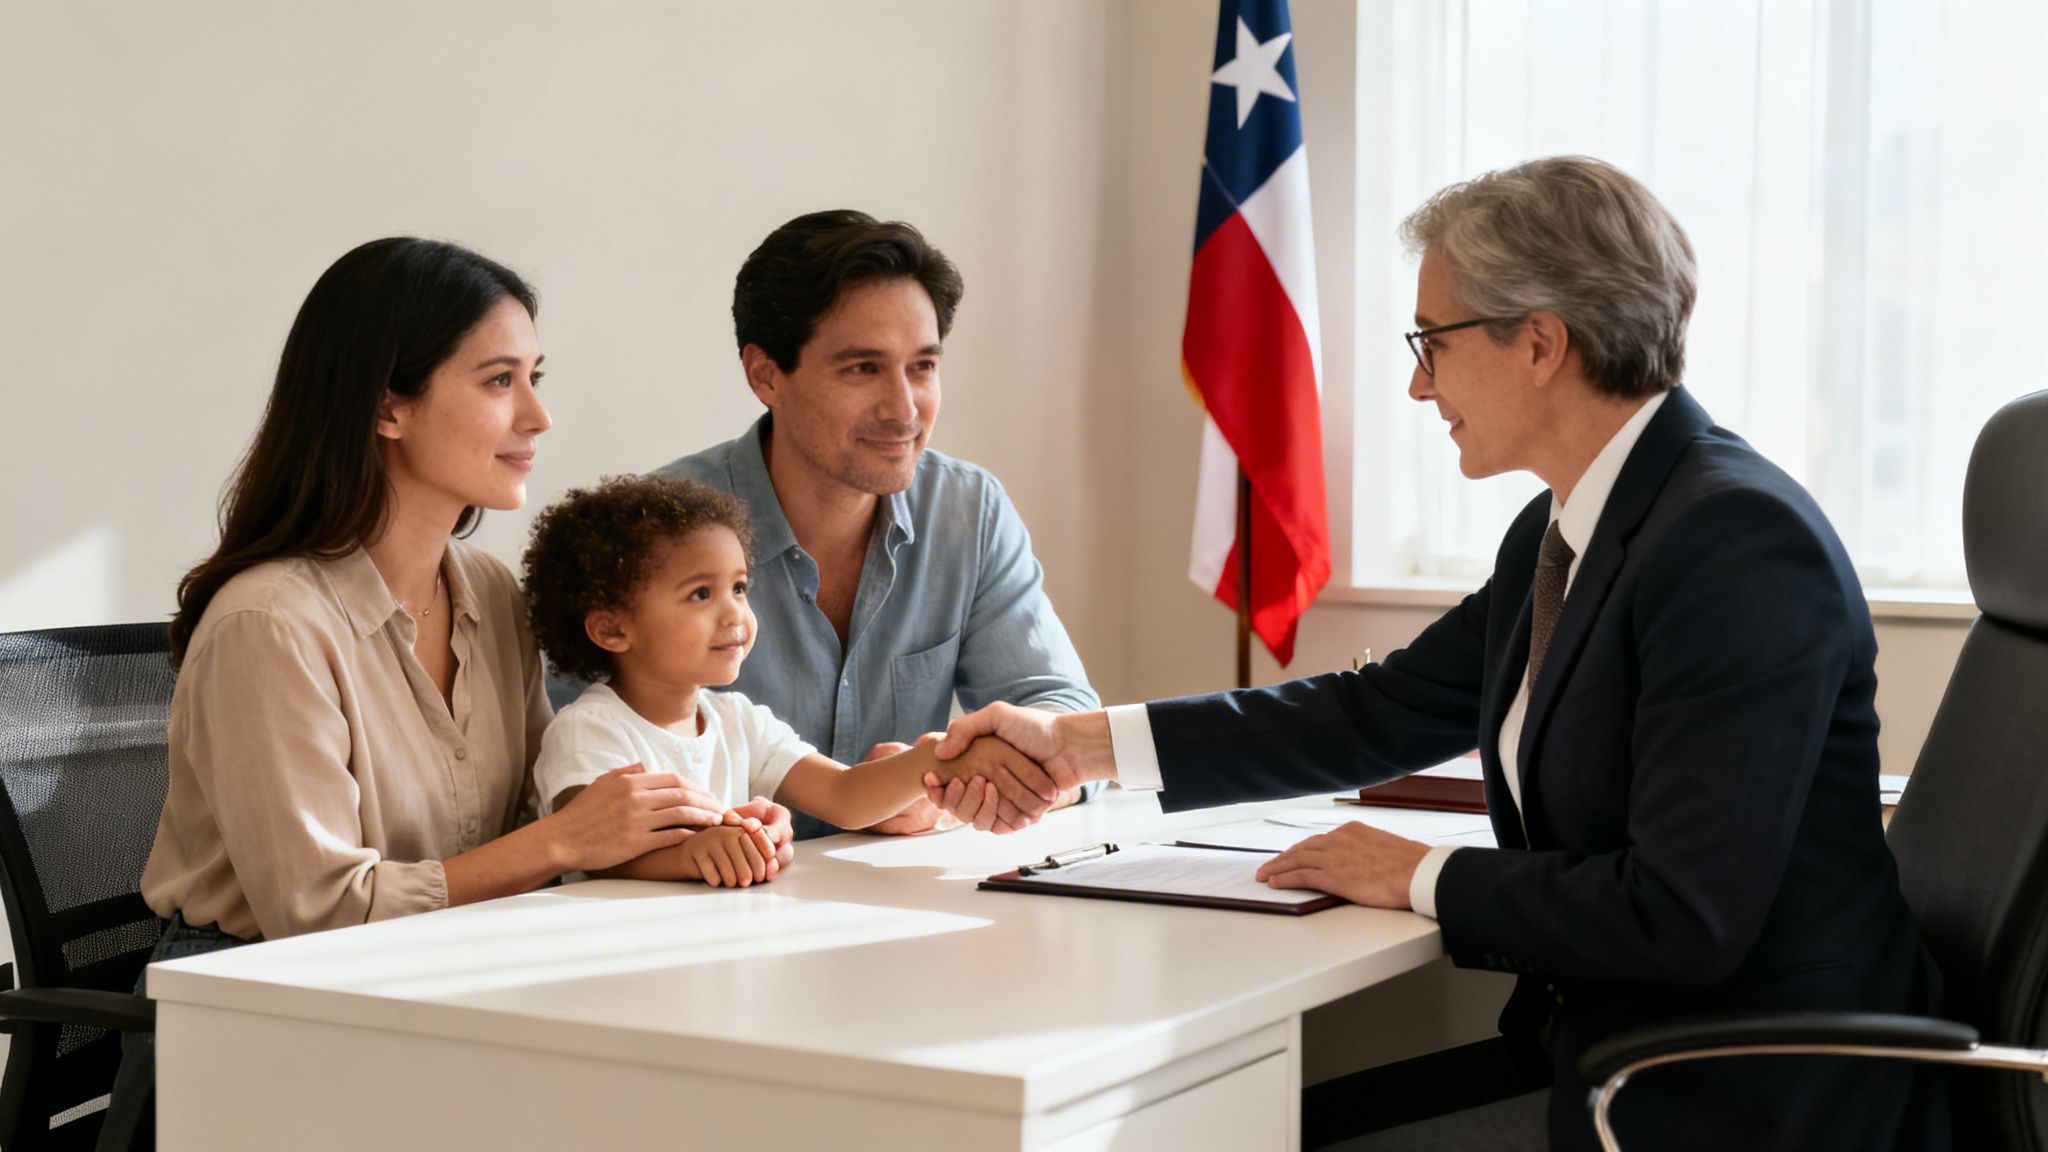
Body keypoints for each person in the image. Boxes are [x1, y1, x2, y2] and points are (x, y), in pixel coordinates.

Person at [936, 157, 1946, 1151]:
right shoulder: (1566, 530)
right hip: (1609, 1044)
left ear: (1541, 343)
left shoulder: (1732, 543)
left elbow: (1681, 915)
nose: (1417, 385)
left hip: (1739, 1090)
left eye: (1431, 342)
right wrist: (1076, 746)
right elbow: (1374, 712)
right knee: (1253, 1122)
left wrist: (1420, 873)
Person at [101, 237, 780, 1152]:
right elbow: (319, 912)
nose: (538, 416)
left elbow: (538, 823)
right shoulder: (270, 624)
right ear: (389, 404)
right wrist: (563, 840)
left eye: (535, 376)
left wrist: (703, 836)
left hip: (434, 983)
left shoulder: (491, 594)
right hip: (262, 1018)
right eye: (500, 381)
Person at [654, 209, 1099, 840]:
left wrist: (947, 791)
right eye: (863, 368)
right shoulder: (654, 530)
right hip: (705, 912)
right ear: (765, 374)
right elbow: (600, 762)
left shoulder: (966, 511)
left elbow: (1064, 716)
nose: (904, 408)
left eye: (922, 367)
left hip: (895, 909)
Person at [522, 474, 1043, 885]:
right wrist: (693, 855)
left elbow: (844, 795)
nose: (736, 616)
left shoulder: (738, 720)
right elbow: (594, 855)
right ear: (613, 628)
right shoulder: (589, 730)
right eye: (701, 594)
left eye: (740, 587)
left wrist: (931, 758)